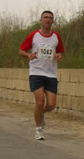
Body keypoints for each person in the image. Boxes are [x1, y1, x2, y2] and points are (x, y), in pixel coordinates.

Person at [19, 10, 64, 140]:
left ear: (53, 21)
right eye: (45, 17)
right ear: (41, 20)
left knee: (51, 105)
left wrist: (59, 55)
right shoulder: (33, 35)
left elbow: (60, 51)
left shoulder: (56, 36)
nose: (48, 19)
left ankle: (40, 114)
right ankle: (39, 130)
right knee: (39, 102)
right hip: (36, 72)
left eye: (50, 18)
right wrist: (29, 55)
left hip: (51, 74)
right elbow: (21, 50)